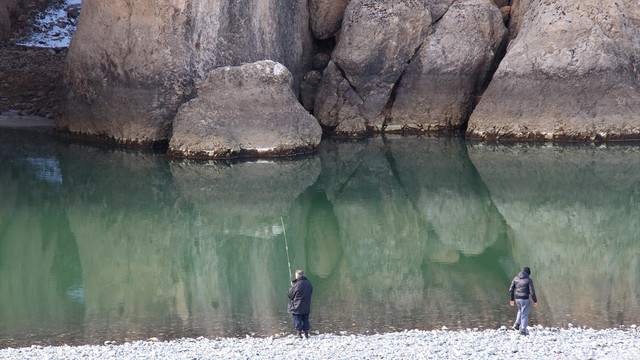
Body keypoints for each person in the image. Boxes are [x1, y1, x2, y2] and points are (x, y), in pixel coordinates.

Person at [509, 266, 538, 335]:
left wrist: (511, 299)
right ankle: (523, 330)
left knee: (520, 310)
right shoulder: (528, 279)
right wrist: (535, 300)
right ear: (528, 273)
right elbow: (532, 291)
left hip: (517, 298)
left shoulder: (516, 278)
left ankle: (517, 324)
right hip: (524, 298)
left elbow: (511, 289)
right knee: (525, 313)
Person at [287, 269, 313, 338]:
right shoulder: (309, 283)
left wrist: (291, 287)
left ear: (297, 276)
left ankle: (299, 333)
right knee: (305, 319)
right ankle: (306, 333)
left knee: (297, 319)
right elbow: (311, 292)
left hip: (297, 306)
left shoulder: (296, 284)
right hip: (306, 305)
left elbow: (290, 295)